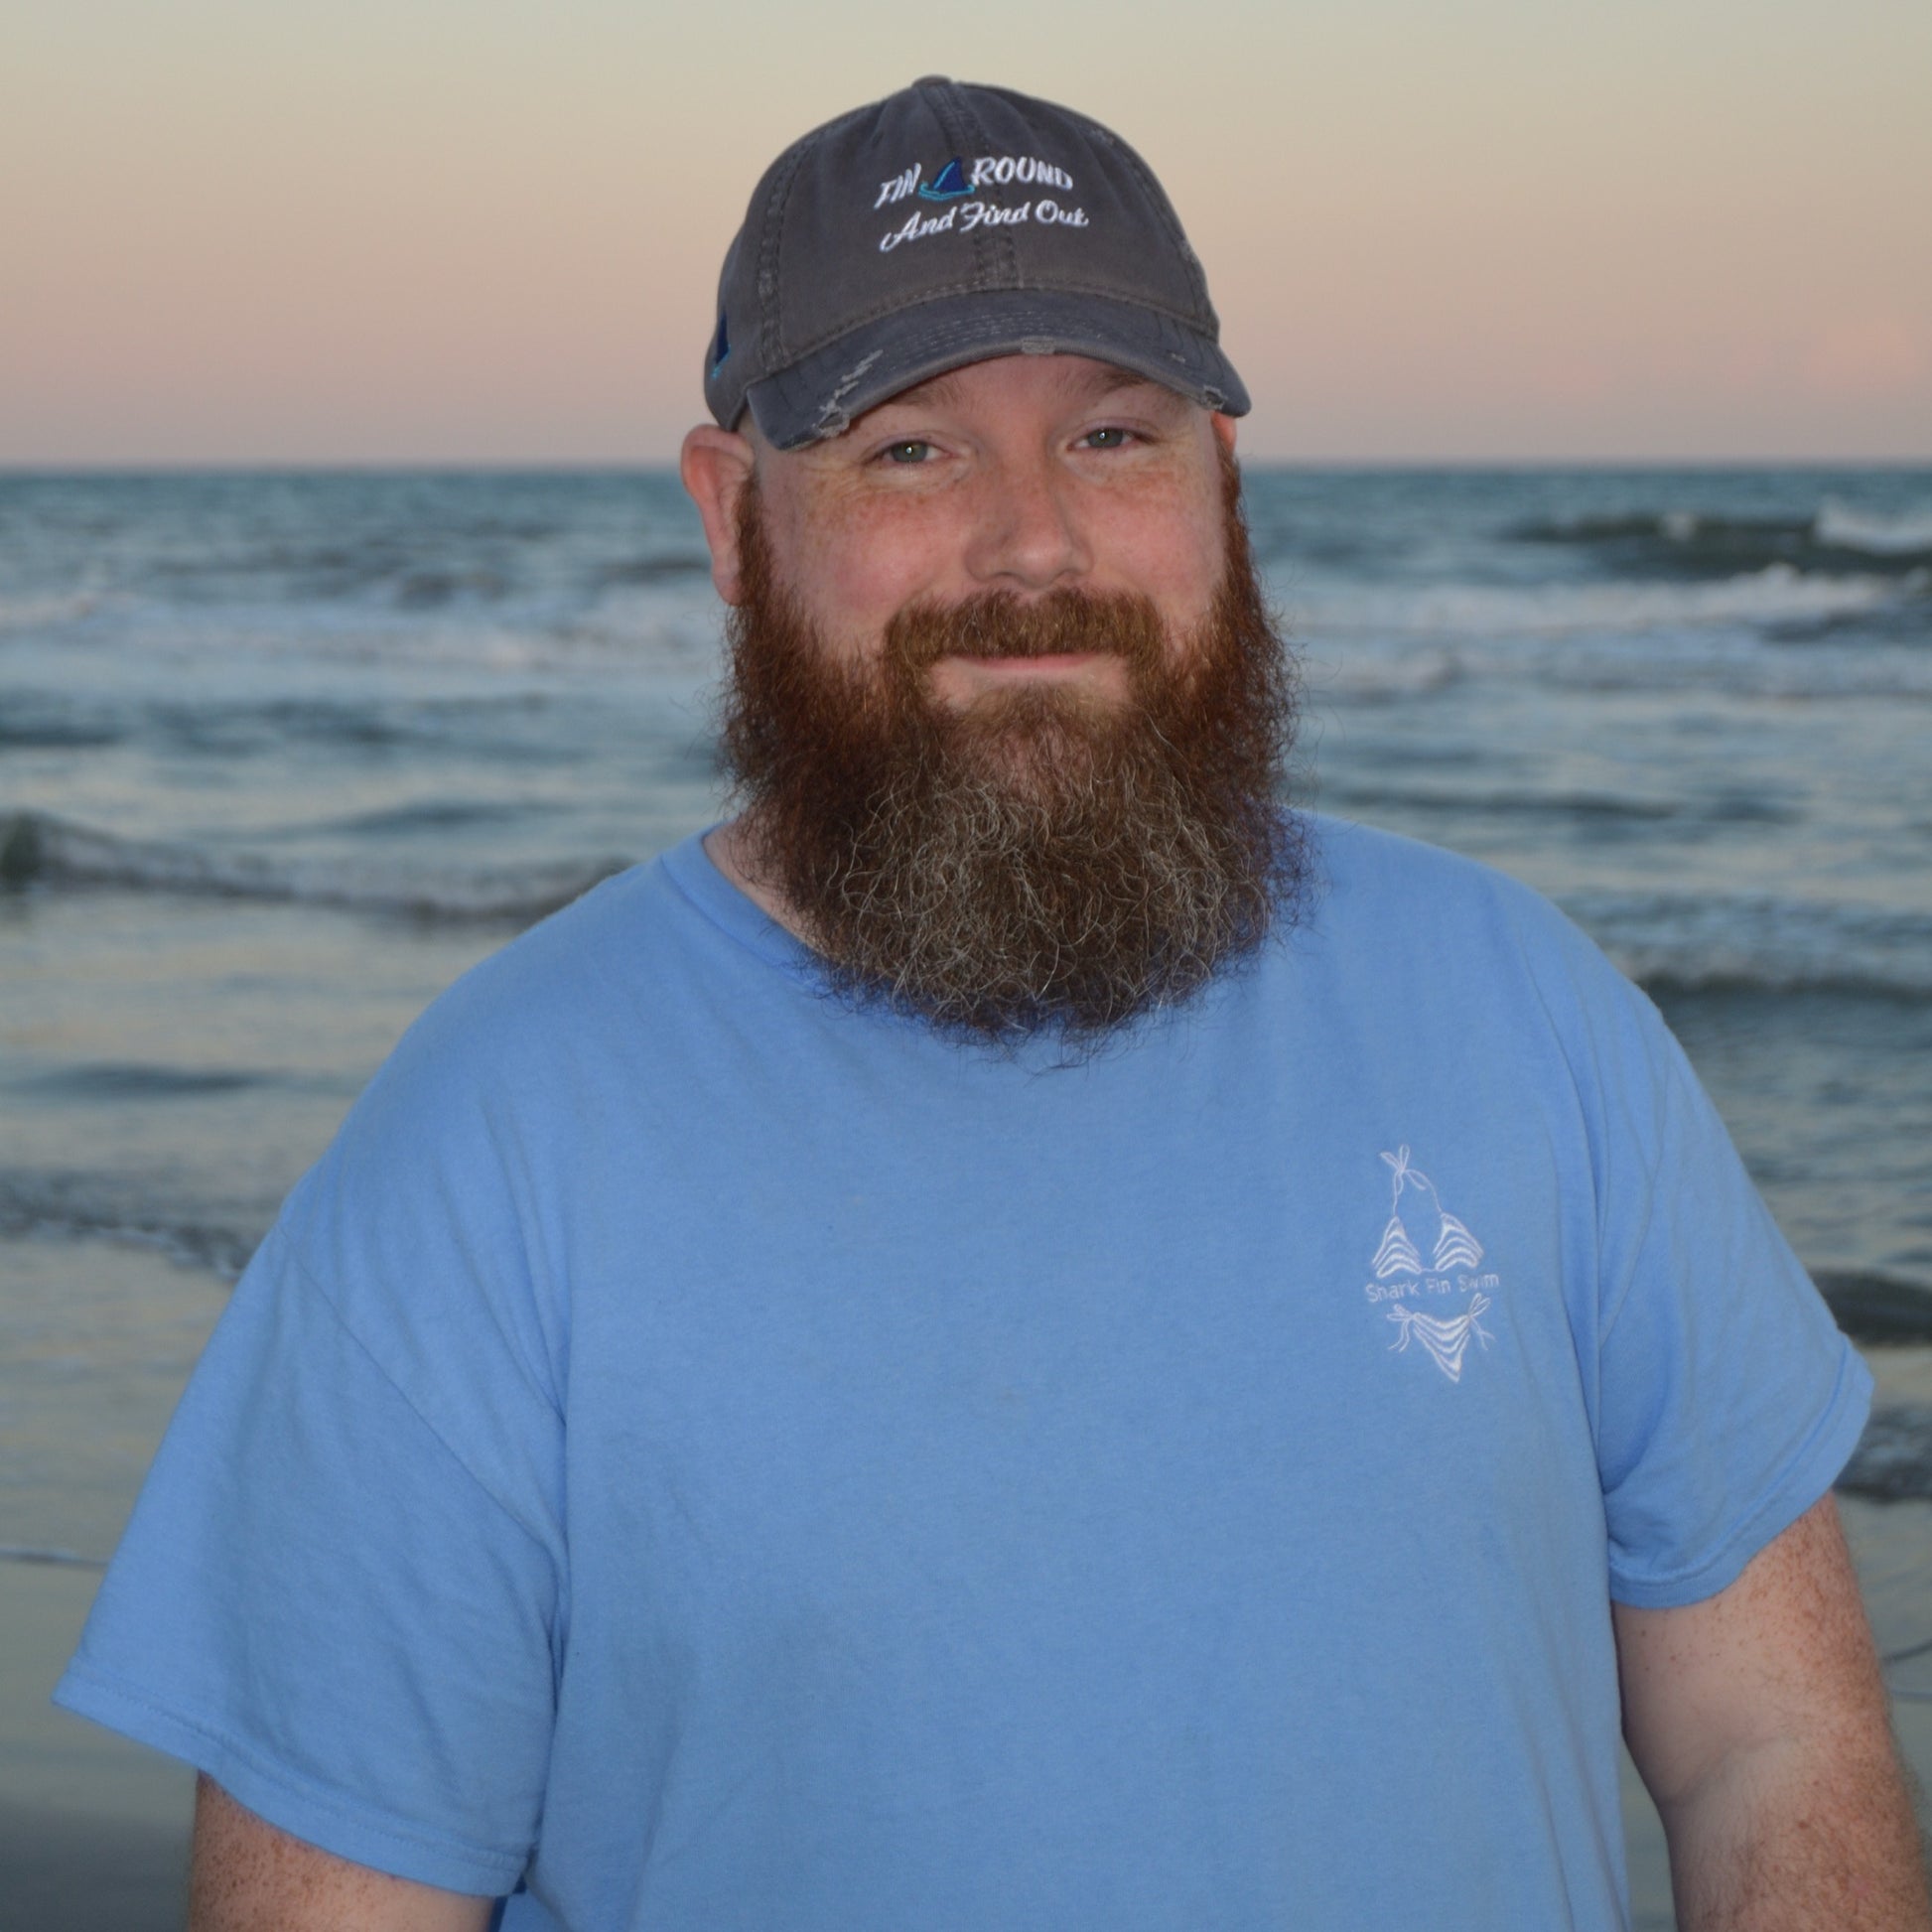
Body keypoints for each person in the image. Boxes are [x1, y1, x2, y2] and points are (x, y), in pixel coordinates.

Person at [58, 76, 1928, 1932]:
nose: (1033, 546)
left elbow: (1771, 1745)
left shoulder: (1529, 1013)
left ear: (1225, 482)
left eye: (1113, 437)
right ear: (732, 521)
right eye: (909, 450)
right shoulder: (492, 1140)